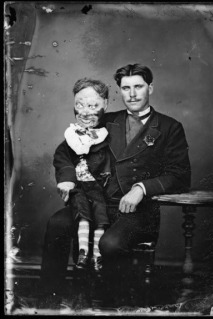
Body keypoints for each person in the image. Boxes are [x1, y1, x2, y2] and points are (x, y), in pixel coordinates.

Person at [40, 64, 191, 294]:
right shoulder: (104, 121)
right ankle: (48, 299)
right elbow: (66, 152)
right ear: (119, 91)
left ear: (150, 87)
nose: (132, 94)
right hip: (97, 203)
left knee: (109, 244)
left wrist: (142, 188)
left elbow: (180, 175)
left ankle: (112, 302)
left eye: (138, 87)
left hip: (139, 212)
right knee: (57, 223)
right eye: (125, 88)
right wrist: (67, 178)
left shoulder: (170, 127)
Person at [53, 78, 111, 271]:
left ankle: (97, 256)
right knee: (63, 221)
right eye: (80, 105)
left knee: (102, 217)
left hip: (107, 196)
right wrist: (67, 181)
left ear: (105, 105)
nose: (85, 112)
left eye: (93, 105)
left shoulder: (110, 134)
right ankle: (82, 255)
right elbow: (63, 159)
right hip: (80, 193)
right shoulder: (72, 136)